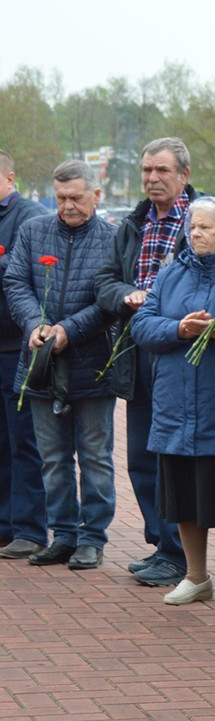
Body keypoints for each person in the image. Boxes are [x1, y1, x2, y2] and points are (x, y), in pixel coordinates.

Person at [4, 160, 120, 570]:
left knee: (94, 456)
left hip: (92, 363)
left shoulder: (113, 238)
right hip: (40, 363)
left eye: (76, 197)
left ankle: (92, 537)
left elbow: (110, 301)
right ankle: (63, 534)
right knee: (51, 457)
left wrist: (69, 329)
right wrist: (35, 324)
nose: (67, 205)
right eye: (61, 198)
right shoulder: (34, 231)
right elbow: (15, 281)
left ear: (97, 195)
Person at [130, 197, 215, 607]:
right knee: (182, 495)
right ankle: (196, 576)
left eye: (206, 228)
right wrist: (179, 328)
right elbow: (141, 325)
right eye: (192, 227)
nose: (195, 233)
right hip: (174, 402)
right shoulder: (172, 271)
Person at [94, 137, 197, 587]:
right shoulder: (132, 224)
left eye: (162, 171)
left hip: (180, 352)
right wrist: (125, 296)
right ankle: (161, 546)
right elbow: (104, 280)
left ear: (184, 175)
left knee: (173, 457)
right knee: (140, 456)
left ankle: (180, 554)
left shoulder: (203, 219)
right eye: (146, 171)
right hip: (136, 349)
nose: (153, 179)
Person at [0, 150, 49, 559]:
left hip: (17, 345)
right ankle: (6, 524)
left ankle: (31, 528)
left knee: (24, 442)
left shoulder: (27, 217)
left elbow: (21, 278)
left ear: (10, 177)